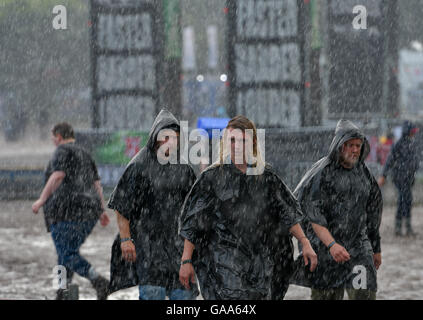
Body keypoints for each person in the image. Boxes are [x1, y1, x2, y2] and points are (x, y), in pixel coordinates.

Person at [178, 115, 317, 300]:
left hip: (261, 261)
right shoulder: (212, 178)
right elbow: (194, 222)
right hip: (224, 261)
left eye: (242, 140)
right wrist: (186, 260)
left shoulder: (266, 177)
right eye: (232, 140)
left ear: (252, 143)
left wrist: (305, 242)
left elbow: (286, 212)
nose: (236, 146)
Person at [107, 109, 198, 300]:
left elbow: (195, 213)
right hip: (148, 247)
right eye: (166, 137)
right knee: (152, 294)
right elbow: (122, 205)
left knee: (183, 298)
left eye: (174, 138)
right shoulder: (138, 166)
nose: (170, 142)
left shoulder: (184, 169)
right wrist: (126, 239)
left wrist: (191, 252)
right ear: (156, 137)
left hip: (178, 249)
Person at [291, 119, 383, 300]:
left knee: (364, 295)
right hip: (325, 252)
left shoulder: (364, 174)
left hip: (358, 250)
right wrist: (332, 245)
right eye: (350, 145)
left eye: (358, 145)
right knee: (327, 296)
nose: (355, 150)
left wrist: (375, 248)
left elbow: (373, 212)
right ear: (340, 146)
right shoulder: (322, 172)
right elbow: (313, 213)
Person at [32, 122, 110, 300]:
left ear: (59, 137)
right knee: (65, 254)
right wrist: (101, 210)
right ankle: (61, 292)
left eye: (53, 138)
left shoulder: (62, 151)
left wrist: (41, 200)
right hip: (88, 214)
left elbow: (58, 175)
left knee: (66, 254)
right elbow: (96, 184)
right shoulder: (85, 153)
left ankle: (98, 281)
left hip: (64, 213)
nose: (53, 141)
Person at [378, 121, 420, 236]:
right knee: (403, 200)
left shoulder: (412, 144)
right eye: (412, 132)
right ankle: (400, 227)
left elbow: (415, 161)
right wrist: (383, 175)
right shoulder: (399, 144)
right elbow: (389, 160)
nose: (413, 134)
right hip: (399, 178)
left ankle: (406, 226)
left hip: (409, 178)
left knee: (407, 200)